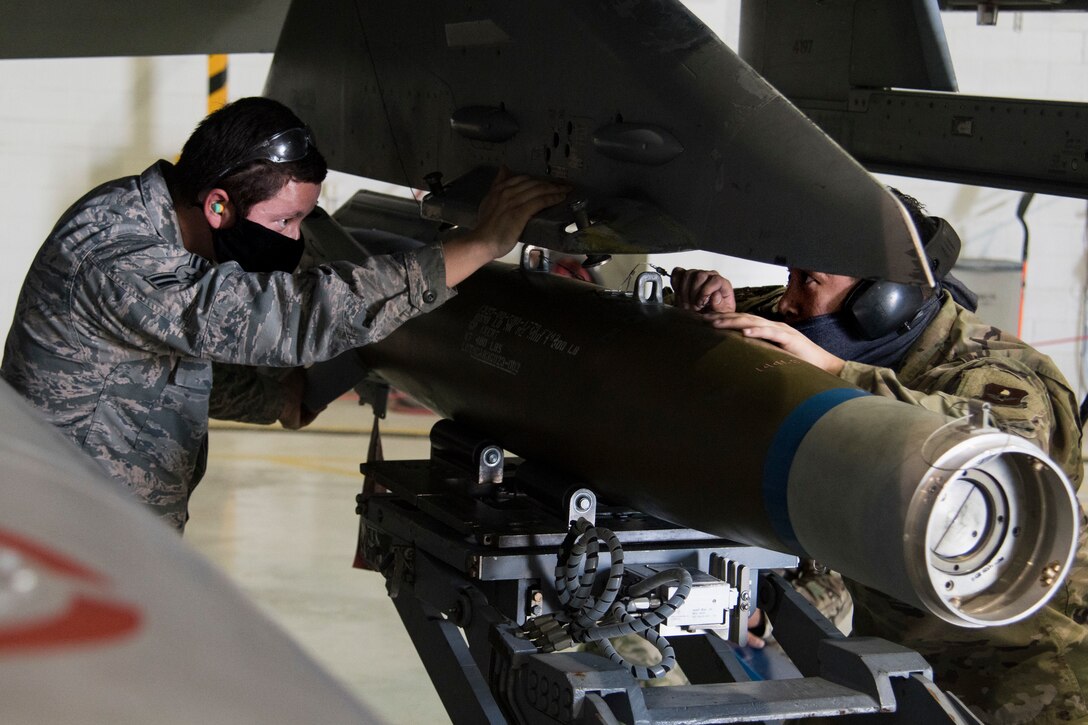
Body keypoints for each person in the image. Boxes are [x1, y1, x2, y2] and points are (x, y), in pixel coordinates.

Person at [1, 96, 569, 532]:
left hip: (108, 534)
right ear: (219, 205)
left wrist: (275, 399)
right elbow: (288, 319)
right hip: (68, 536)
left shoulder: (162, 227)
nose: (295, 240)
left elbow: (161, 371)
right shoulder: (120, 254)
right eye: (284, 222)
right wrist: (478, 245)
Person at [670, 189, 1088, 724]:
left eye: (809, 282)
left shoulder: (990, 370)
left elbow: (994, 440)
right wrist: (716, 309)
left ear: (883, 300)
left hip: (1027, 672)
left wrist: (836, 373)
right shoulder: (836, 332)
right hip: (903, 655)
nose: (787, 303)